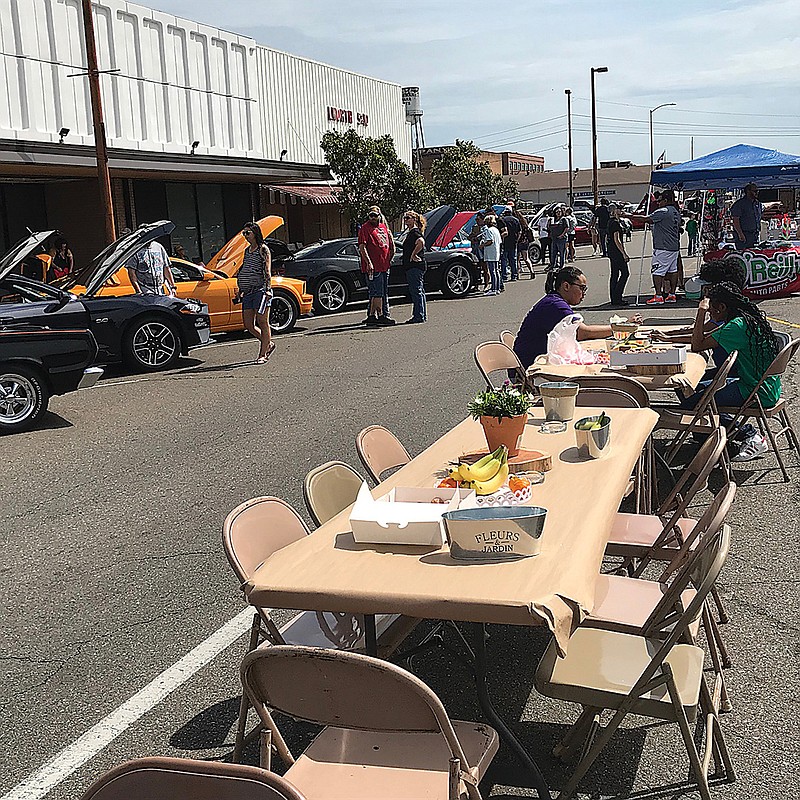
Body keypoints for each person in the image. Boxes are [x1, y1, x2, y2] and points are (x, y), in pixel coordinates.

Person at [681, 281, 780, 461]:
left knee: (692, 401)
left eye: (712, 309)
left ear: (722, 307)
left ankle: (750, 435)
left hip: (754, 391)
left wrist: (700, 312)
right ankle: (706, 436)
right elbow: (705, 336)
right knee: (693, 388)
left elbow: (697, 345)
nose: (710, 312)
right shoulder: (745, 319)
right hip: (765, 385)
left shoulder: (736, 326)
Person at [513, 265, 638, 370]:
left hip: (538, 360)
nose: (584, 293)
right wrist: (622, 327)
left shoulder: (555, 301)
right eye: (582, 288)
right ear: (566, 286)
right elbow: (583, 332)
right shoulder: (555, 305)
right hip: (531, 367)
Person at [628, 189, 681, 305]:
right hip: (674, 246)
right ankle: (672, 294)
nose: (658, 203)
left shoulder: (663, 211)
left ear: (665, 200)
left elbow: (646, 219)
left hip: (663, 247)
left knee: (657, 271)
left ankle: (658, 295)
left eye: (659, 201)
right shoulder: (676, 211)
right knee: (673, 270)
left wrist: (628, 216)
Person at [236, 221, 274, 363]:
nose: (245, 236)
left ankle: (262, 354)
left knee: (262, 321)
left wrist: (268, 289)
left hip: (261, 290)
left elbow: (267, 270)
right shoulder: (247, 251)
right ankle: (268, 343)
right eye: (243, 233)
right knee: (248, 324)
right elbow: (245, 269)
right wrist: (241, 288)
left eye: (247, 233)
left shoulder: (263, 249)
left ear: (255, 233)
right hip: (248, 291)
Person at [358, 205, 396, 326]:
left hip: (384, 265)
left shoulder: (383, 227)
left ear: (380, 216)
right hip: (374, 267)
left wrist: (389, 258)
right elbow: (362, 247)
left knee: (382, 292)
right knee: (377, 292)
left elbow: (390, 245)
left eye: (375, 215)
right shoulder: (365, 228)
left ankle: (371, 315)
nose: (373, 218)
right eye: (371, 215)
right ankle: (381, 315)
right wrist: (369, 262)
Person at [401, 210, 427, 324]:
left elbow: (421, 242)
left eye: (408, 218)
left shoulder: (415, 232)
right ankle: (421, 314)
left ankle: (419, 315)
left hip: (415, 266)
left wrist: (413, 254)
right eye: (405, 218)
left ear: (414, 219)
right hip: (414, 265)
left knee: (416, 290)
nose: (406, 220)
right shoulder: (411, 232)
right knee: (419, 290)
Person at [606, 204, 630, 306]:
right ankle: (618, 296)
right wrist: (624, 253)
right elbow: (617, 239)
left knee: (615, 274)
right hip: (616, 251)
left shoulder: (610, 222)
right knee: (625, 273)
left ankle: (614, 298)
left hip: (611, 251)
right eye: (619, 209)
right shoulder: (615, 223)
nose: (621, 211)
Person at [730, 182, 762, 251]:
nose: (757, 193)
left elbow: (764, 207)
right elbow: (735, 220)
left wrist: (775, 204)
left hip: (754, 235)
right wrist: (740, 234)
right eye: (755, 191)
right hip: (744, 235)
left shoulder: (757, 203)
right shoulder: (740, 204)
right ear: (748, 191)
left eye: (758, 191)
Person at [479, 214, 502, 296]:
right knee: (496, 270)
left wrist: (483, 245)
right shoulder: (496, 230)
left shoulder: (489, 230)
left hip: (490, 252)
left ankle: (493, 289)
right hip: (496, 252)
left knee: (492, 271)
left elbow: (490, 241)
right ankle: (497, 288)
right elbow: (499, 241)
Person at [499, 206, 520, 282]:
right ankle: (514, 275)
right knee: (513, 260)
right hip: (513, 242)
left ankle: (504, 276)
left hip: (504, 243)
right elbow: (519, 232)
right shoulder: (516, 220)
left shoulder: (503, 220)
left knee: (504, 260)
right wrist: (516, 240)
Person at [470, 211, 489, 288]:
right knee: (476, 269)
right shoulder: (475, 227)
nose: (477, 221)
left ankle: (486, 284)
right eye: (476, 220)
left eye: (478, 219)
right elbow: (470, 236)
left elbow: (485, 238)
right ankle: (476, 285)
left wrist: (477, 238)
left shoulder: (486, 228)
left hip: (483, 252)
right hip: (475, 251)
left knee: (485, 269)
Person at [548, 206, 568, 271]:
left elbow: (566, 228)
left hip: (561, 239)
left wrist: (562, 235)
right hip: (554, 238)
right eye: (557, 212)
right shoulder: (553, 220)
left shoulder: (564, 219)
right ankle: (553, 265)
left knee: (562, 253)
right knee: (553, 253)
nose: (558, 213)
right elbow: (549, 228)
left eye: (559, 212)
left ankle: (562, 265)